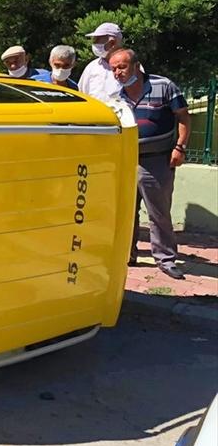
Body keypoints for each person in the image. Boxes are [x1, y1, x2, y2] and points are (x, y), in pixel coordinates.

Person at [110, 49, 191, 280]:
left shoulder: (163, 86)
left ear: (137, 66)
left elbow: (183, 117)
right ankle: (128, 255)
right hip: (127, 161)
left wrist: (180, 147)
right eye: (114, 68)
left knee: (159, 212)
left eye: (122, 67)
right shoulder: (117, 98)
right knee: (126, 213)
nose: (118, 72)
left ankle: (165, 259)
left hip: (158, 160)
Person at [78, 22, 124, 102]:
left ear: (112, 43)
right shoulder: (92, 67)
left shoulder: (132, 67)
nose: (94, 44)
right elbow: (81, 94)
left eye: (98, 40)